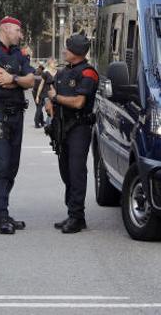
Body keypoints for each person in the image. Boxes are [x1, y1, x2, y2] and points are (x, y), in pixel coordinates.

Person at [0, 16, 35, 234]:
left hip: (16, 114)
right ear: (6, 29)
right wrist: (16, 79)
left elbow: (30, 80)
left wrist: (15, 80)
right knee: (0, 164)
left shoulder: (18, 54)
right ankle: (0, 215)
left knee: (12, 165)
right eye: (18, 31)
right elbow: (0, 77)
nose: (20, 35)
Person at [46, 35, 99, 234]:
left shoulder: (88, 73)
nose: (64, 51)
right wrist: (49, 103)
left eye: (67, 48)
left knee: (76, 172)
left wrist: (55, 98)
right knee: (66, 171)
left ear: (76, 52)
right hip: (62, 127)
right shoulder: (63, 72)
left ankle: (77, 217)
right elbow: (53, 99)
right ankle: (72, 213)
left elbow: (78, 103)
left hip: (79, 128)